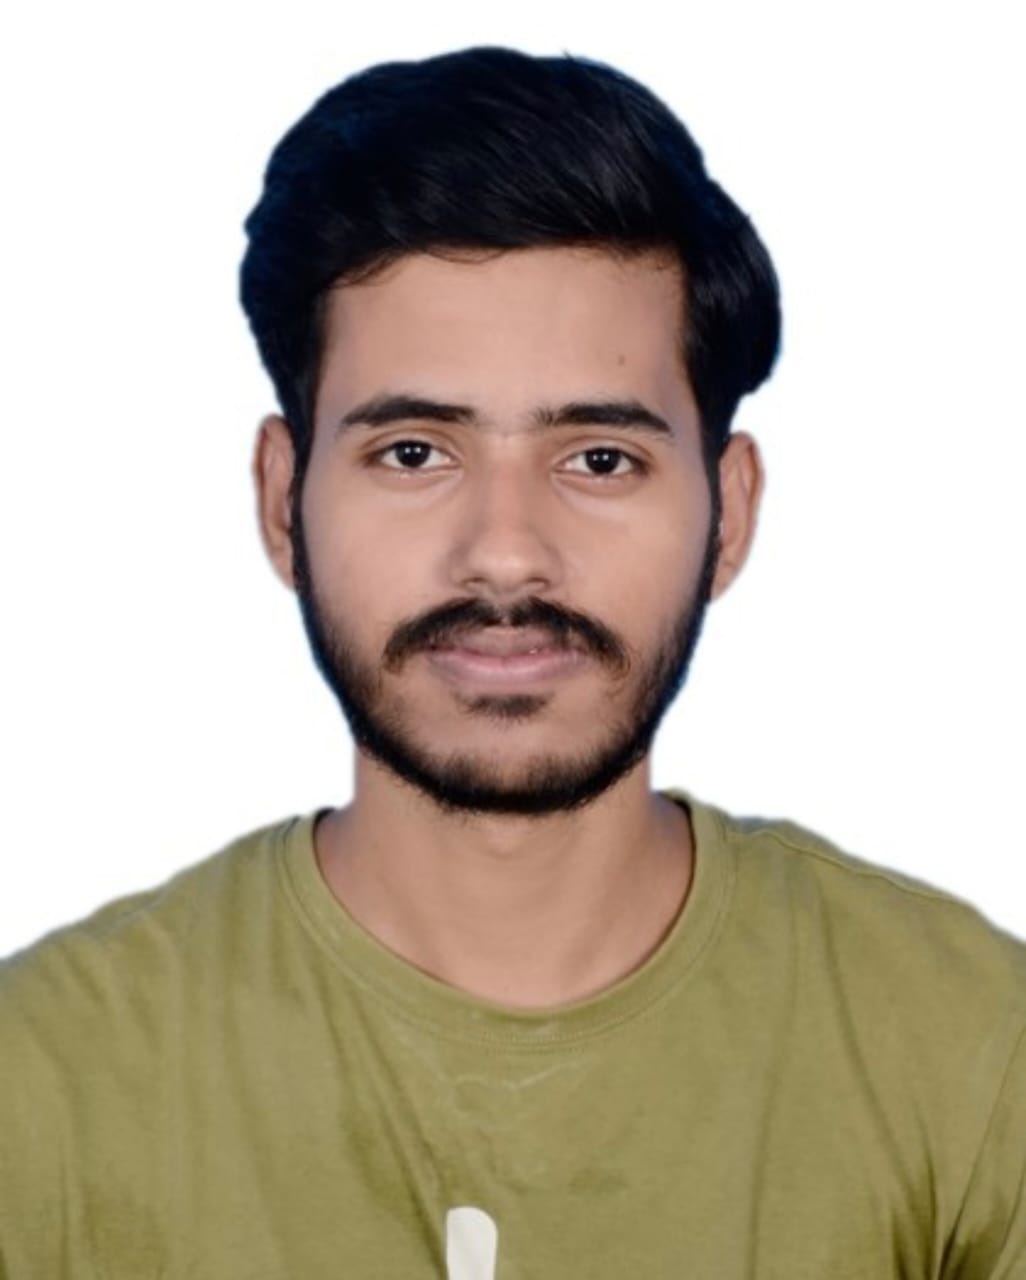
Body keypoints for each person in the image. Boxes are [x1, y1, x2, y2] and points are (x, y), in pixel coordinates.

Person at [1, 45, 1023, 1279]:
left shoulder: (973, 1053)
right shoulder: (41, 1085)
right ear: (281, 500)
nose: (503, 553)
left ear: (730, 514)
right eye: (413, 452)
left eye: (599, 459)